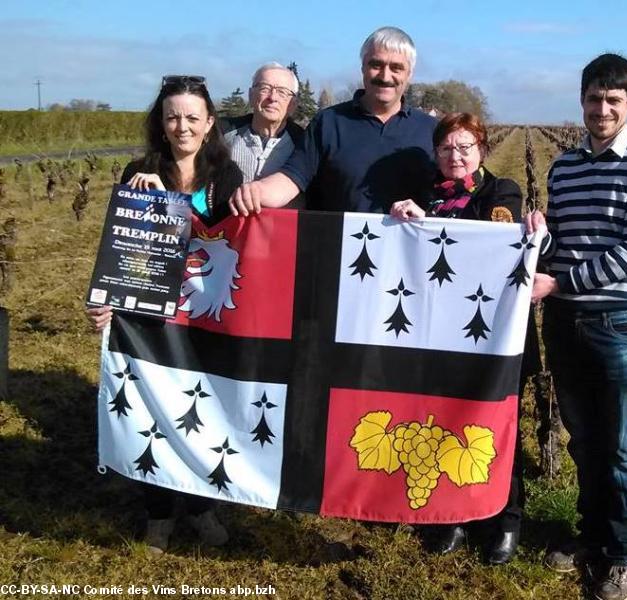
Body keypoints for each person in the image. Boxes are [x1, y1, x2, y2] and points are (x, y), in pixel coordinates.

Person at [532, 54, 627, 600]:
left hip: (618, 323)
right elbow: (560, 244)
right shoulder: (563, 167)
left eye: (614, 100)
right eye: (595, 98)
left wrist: (559, 284)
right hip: (565, 323)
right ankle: (589, 537)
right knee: (583, 440)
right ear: (582, 100)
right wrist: (537, 237)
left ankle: (621, 557)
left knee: (619, 444)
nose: (603, 109)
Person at [87, 75, 243, 554]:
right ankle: (157, 513)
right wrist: (104, 300)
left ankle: (199, 507)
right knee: (150, 414)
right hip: (149, 317)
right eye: (173, 116)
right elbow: (124, 245)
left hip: (203, 316)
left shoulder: (227, 177)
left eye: (193, 117)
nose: (182, 126)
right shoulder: (139, 168)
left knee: (199, 413)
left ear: (209, 122)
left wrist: (168, 205)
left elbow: (230, 242)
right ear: (161, 121)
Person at [391, 112, 546, 565]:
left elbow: (493, 240)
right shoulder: (421, 195)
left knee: (497, 427)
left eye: (465, 147)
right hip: (439, 334)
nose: (455, 156)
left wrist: (433, 225)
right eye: (446, 148)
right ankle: (450, 514)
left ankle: (505, 519)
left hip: (495, 334)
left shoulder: (502, 192)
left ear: (481, 150)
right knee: (442, 421)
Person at [229, 26, 437, 215]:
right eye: (376, 64)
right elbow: (292, 178)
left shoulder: (431, 130)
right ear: (363, 67)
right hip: (334, 252)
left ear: (409, 73)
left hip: (410, 253)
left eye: (396, 68)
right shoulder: (328, 122)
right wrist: (257, 190)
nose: (385, 75)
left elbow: (455, 195)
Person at [221, 62, 304, 194]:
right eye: (264, 89)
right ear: (251, 95)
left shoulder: (304, 144)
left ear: (293, 104)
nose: (272, 97)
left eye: (282, 92)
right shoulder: (222, 133)